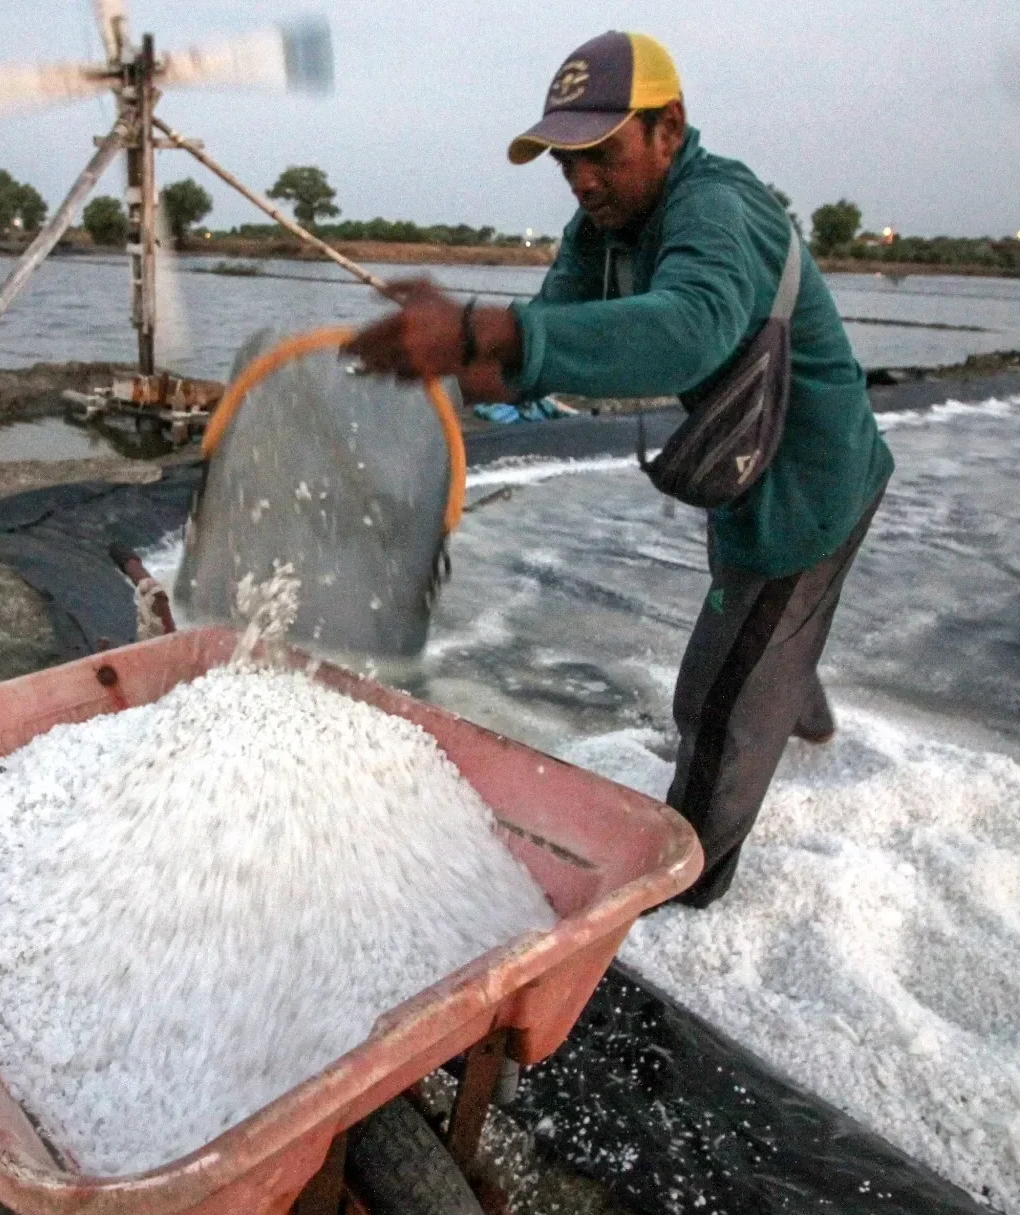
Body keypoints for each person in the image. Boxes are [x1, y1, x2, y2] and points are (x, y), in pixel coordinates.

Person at [345, 30, 894, 907]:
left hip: (807, 482)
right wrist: (462, 358)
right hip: (741, 462)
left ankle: (689, 892)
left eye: (600, 154)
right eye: (565, 162)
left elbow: (687, 331)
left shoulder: (718, 208)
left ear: (667, 128)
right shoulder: (600, 229)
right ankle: (802, 712)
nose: (581, 180)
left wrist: (488, 330)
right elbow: (543, 332)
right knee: (767, 630)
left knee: (717, 699)